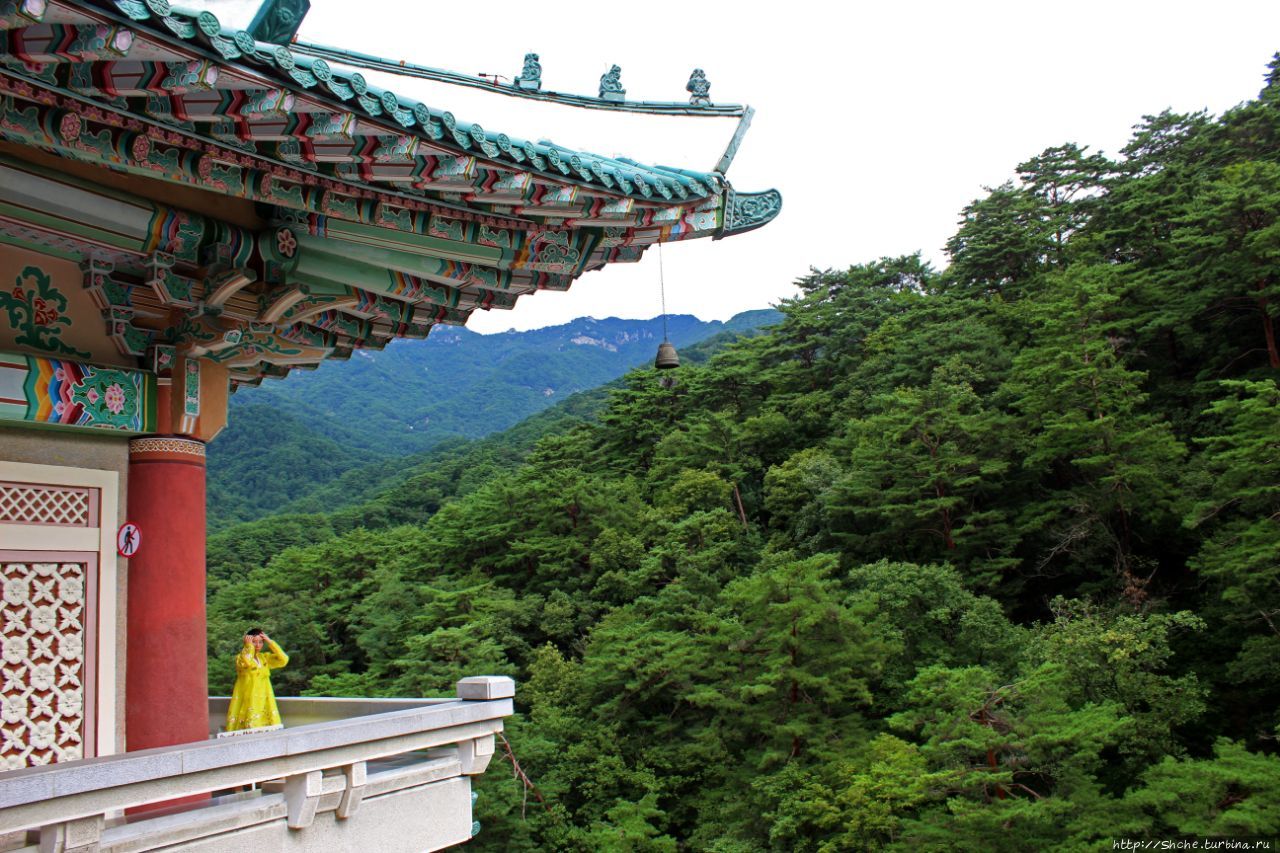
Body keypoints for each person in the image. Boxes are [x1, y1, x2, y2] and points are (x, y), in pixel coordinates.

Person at [224, 628, 288, 732]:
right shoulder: (240, 658)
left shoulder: (264, 658)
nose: (257, 645)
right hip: (248, 699)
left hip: (264, 699)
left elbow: (283, 660)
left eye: (260, 642)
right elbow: (247, 663)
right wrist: (248, 646)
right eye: (254, 642)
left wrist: (270, 642)